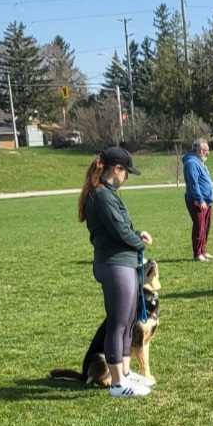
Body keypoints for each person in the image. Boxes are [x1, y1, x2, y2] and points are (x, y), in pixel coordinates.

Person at [77, 146, 154, 398]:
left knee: (129, 322)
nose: (127, 177)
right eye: (126, 172)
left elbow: (121, 227)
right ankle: (118, 383)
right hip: (114, 264)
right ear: (116, 169)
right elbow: (118, 231)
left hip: (123, 261)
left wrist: (135, 233)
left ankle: (126, 373)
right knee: (118, 323)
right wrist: (137, 240)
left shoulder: (108, 193)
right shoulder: (101, 195)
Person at [182, 138, 213, 261]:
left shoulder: (199, 162)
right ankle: (197, 254)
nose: (208, 153)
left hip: (207, 201)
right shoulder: (191, 163)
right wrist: (200, 199)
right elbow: (193, 184)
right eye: (206, 150)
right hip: (198, 201)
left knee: (206, 227)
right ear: (200, 150)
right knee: (199, 227)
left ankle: (203, 251)